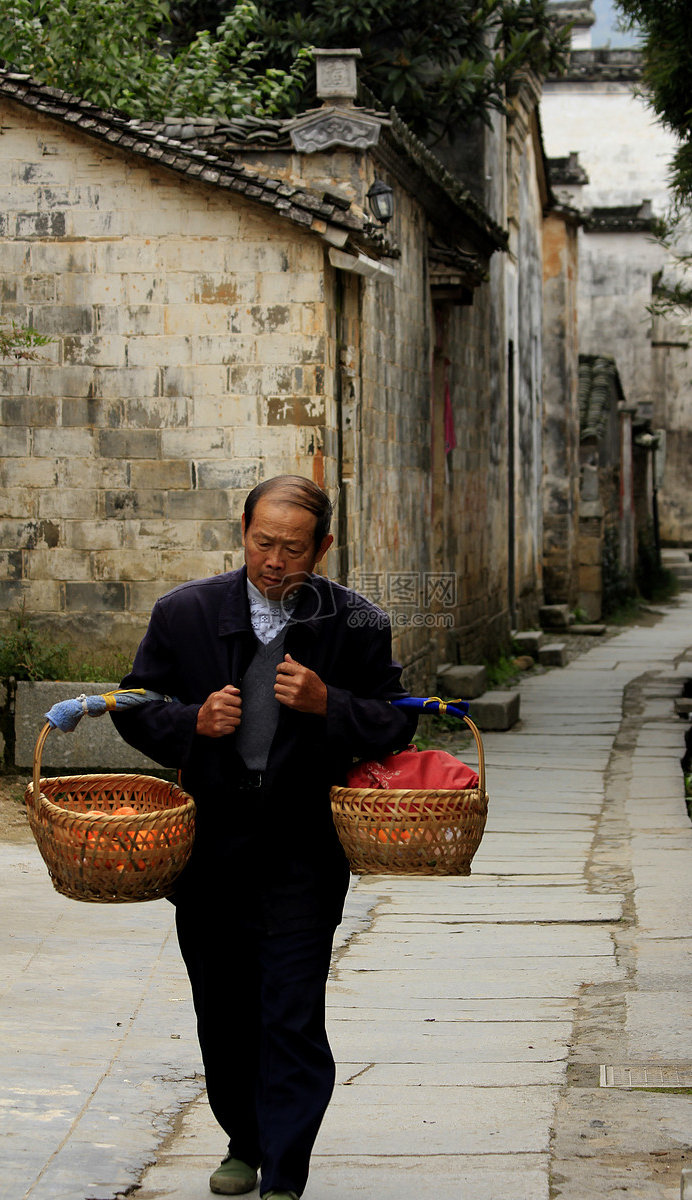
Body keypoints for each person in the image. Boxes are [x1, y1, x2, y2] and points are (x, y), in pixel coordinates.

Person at [112, 475, 416, 1200]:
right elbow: (134, 703)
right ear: (242, 530)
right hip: (211, 850)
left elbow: (397, 718)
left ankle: (284, 1170)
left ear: (324, 547)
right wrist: (191, 721)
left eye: (293, 548)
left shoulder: (358, 621)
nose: (274, 560)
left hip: (303, 847)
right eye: (262, 542)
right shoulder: (184, 613)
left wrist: (328, 704)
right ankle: (242, 1141)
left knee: (292, 1011)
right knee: (224, 1012)